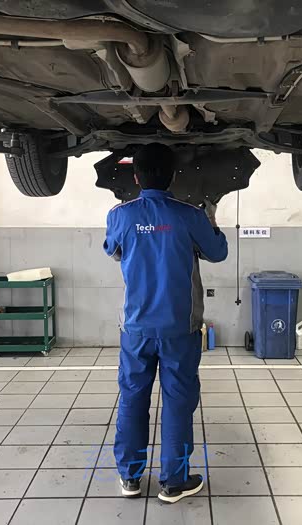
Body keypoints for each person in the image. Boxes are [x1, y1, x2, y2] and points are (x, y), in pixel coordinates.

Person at [103, 143, 228, 503]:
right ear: (173, 176)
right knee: (177, 402)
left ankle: (130, 478)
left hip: (136, 329)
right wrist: (210, 219)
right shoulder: (190, 215)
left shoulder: (120, 215)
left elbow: (113, 251)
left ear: (136, 177)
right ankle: (173, 482)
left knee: (132, 398)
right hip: (179, 329)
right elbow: (218, 252)